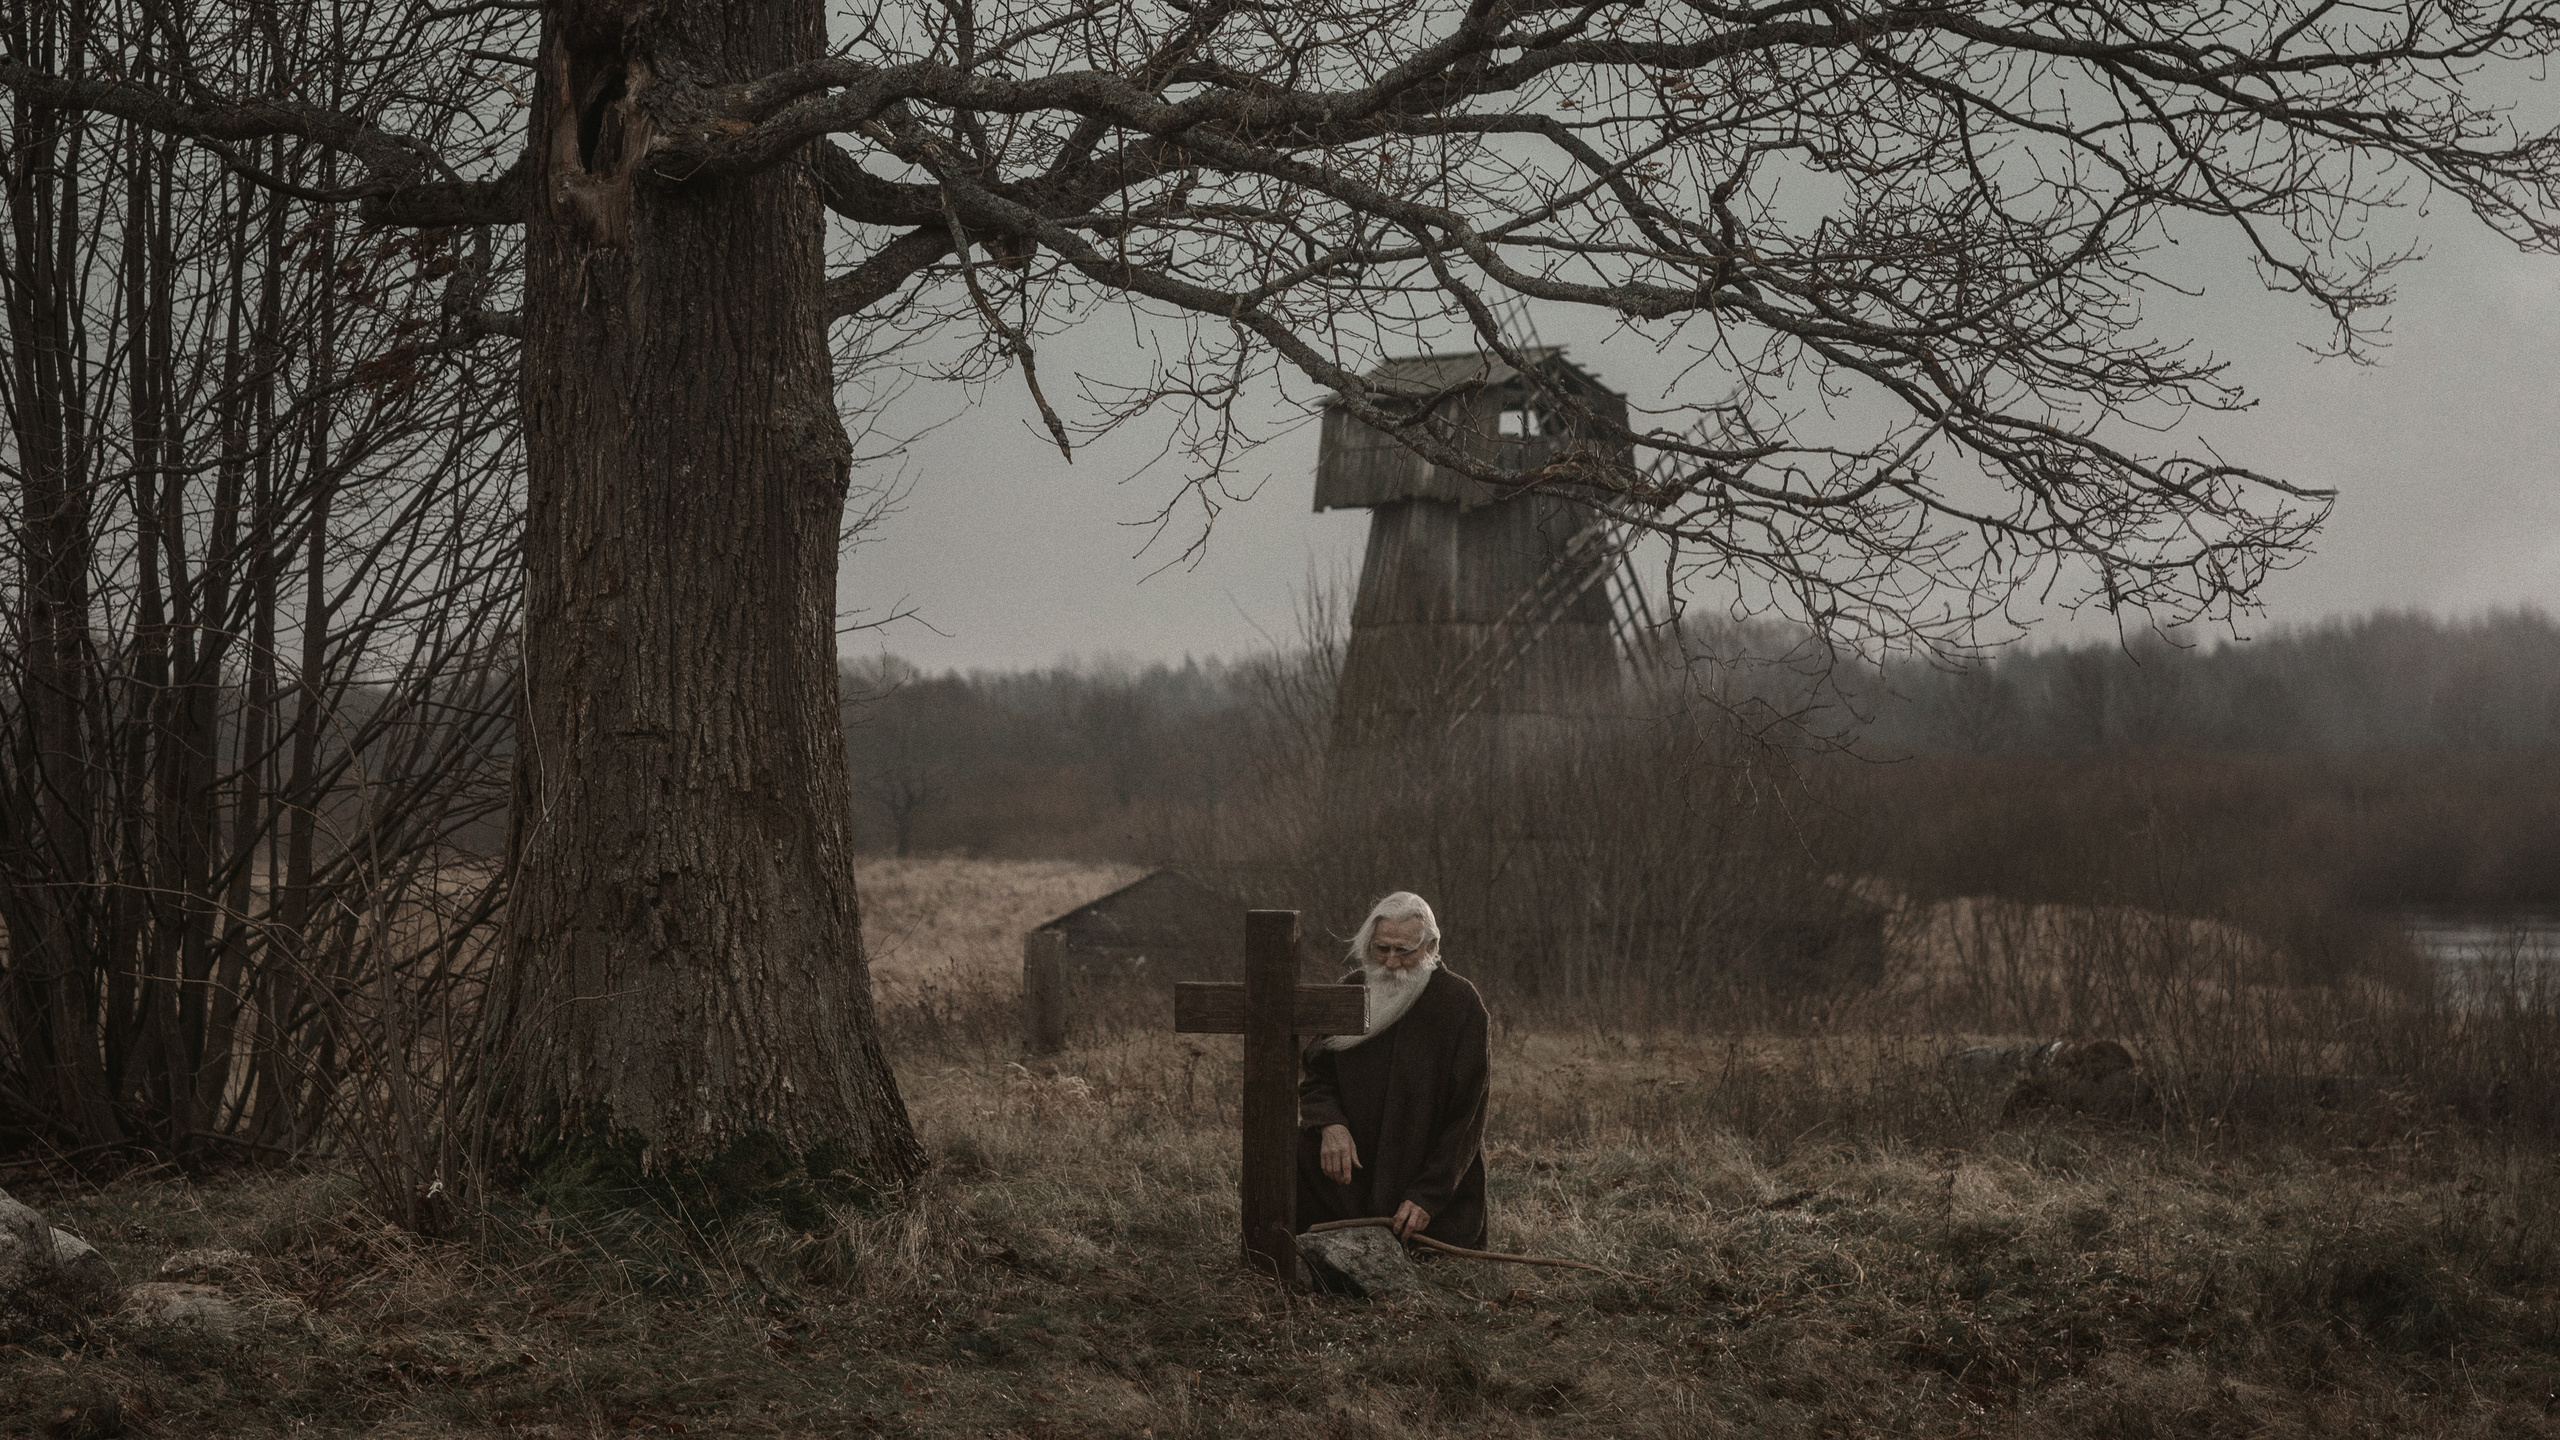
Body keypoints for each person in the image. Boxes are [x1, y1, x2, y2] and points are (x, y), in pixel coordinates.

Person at [1296, 891, 1489, 1249]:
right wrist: (1330, 1124)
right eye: (1382, 949)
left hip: (1425, 1187)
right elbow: (1317, 1075)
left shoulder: (1460, 1005)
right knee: (1295, 1150)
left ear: (1431, 947)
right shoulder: (1352, 991)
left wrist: (1428, 1197)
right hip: (1351, 1180)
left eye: (1404, 951)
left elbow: (1467, 1119)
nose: (1390, 962)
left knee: (1428, 1262)